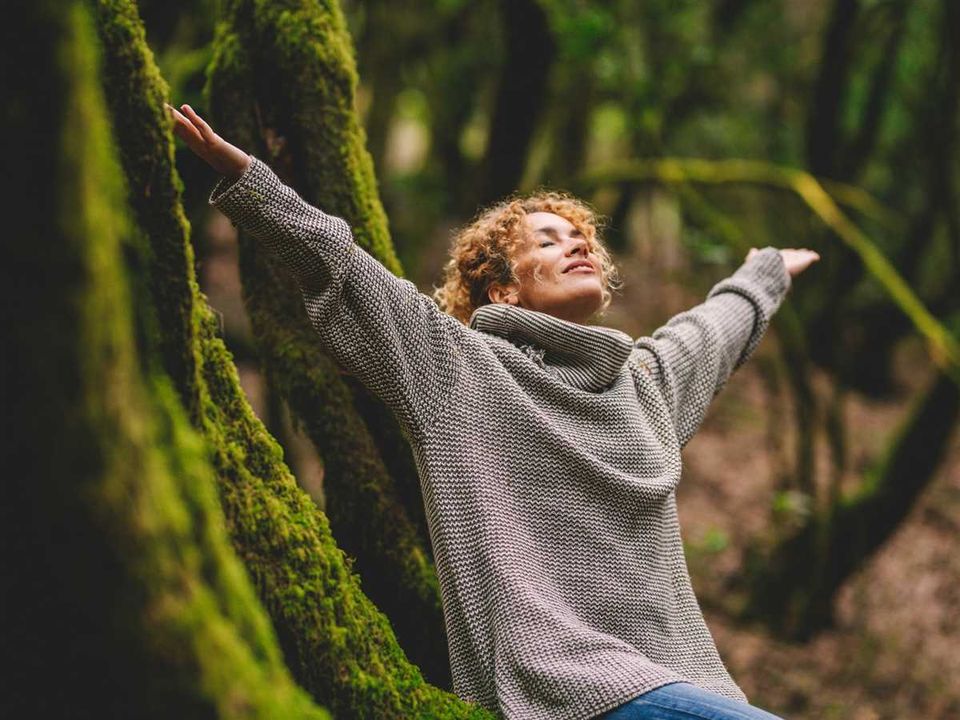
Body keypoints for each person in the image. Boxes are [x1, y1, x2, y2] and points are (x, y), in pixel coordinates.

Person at [170, 103, 818, 720]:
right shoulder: (457, 370)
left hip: (689, 686)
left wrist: (766, 275)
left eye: (581, 238)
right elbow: (344, 268)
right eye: (549, 239)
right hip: (560, 693)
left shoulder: (641, 386)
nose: (578, 246)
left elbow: (708, 334)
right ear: (504, 286)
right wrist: (249, 180)